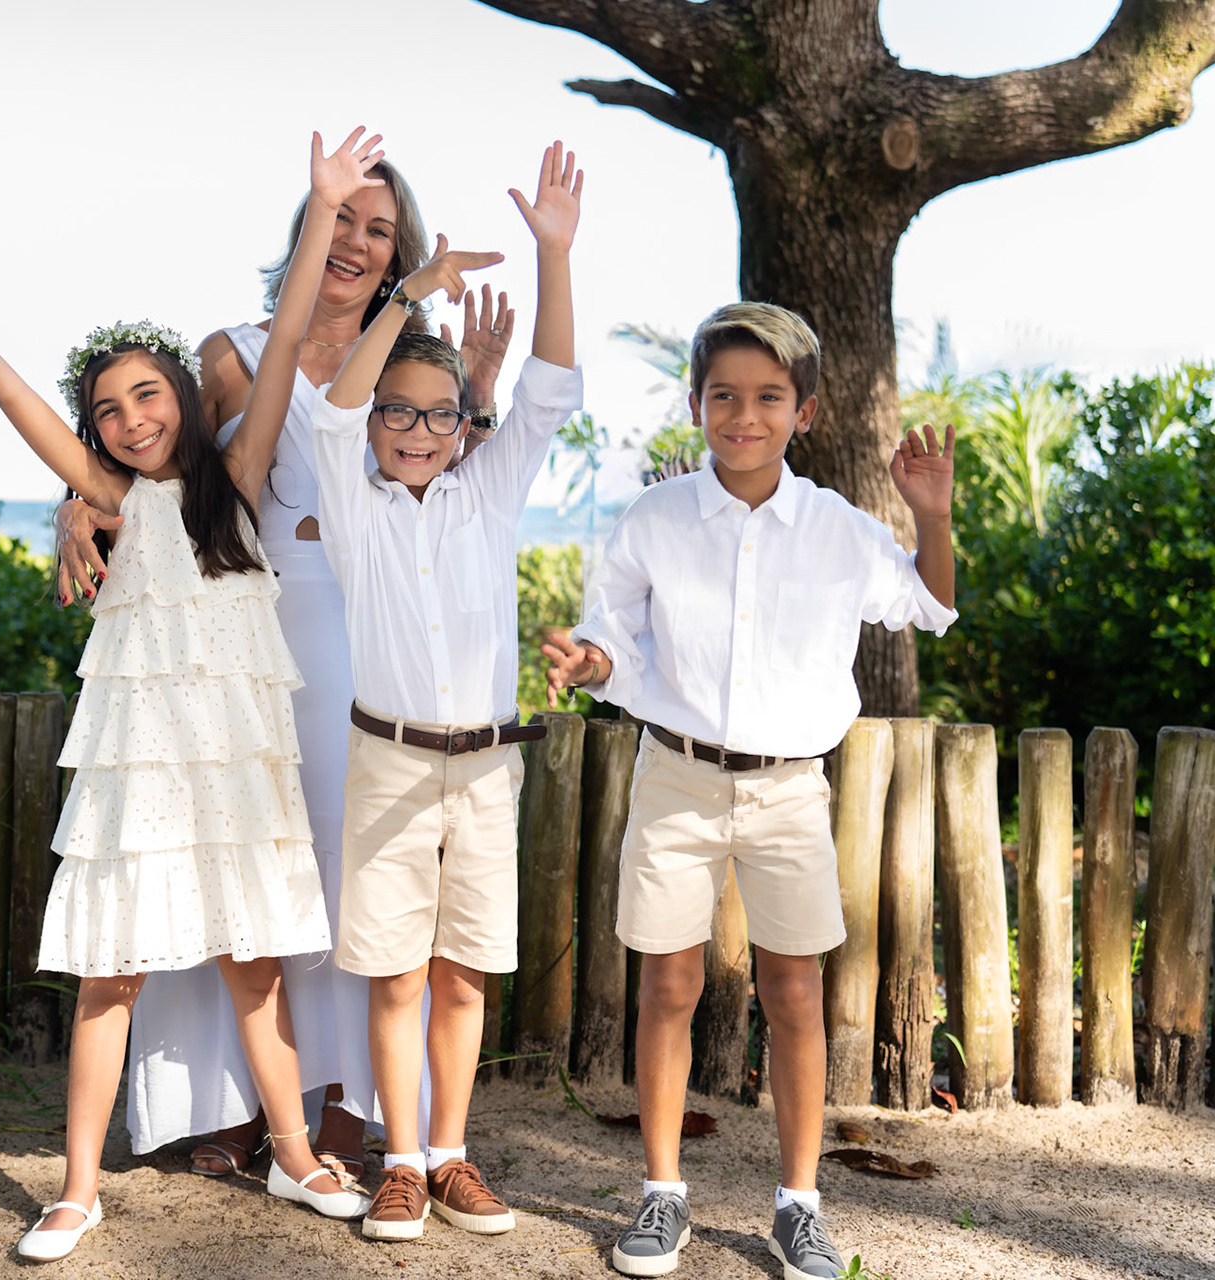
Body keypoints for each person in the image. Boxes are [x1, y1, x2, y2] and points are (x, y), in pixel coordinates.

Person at [0, 126, 387, 1261]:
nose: (133, 418)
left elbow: (280, 345)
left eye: (148, 394)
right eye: (111, 408)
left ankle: (294, 1148)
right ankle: (77, 1187)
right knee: (108, 972)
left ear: (180, 392)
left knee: (257, 961)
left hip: (237, 760)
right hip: (143, 766)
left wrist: (325, 208)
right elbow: (6, 391)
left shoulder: (232, 480)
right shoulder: (103, 494)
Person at [56, 150, 517, 1183]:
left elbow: (457, 487)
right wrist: (71, 508)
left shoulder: (416, 352)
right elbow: (159, 471)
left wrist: (478, 393)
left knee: (357, 866)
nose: (358, 242)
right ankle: (227, 1100)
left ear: (401, 251)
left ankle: (346, 1101)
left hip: (376, 630)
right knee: (241, 851)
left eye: (380, 228)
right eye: (342, 220)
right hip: (256, 633)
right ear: (311, 227)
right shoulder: (232, 352)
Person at [539, 302, 957, 1280]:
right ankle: (661, 1192)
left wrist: (931, 515)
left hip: (787, 793)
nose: (744, 413)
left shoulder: (838, 530)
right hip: (675, 779)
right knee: (668, 985)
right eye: (724, 394)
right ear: (696, 402)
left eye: (769, 396)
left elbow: (929, 605)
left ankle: (798, 1203)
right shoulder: (656, 518)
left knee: (795, 992)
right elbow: (614, 635)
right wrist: (588, 660)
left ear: (803, 410)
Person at [311, 141, 584, 1242]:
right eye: (400, 412)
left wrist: (553, 255)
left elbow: (554, 388)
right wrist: (412, 293)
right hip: (386, 759)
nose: (420, 431)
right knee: (391, 971)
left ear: (467, 427)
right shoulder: (355, 497)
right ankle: (402, 1158)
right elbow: (327, 408)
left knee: (463, 968)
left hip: (483, 762)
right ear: (377, 421)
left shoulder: (490, 495)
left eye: (441, 415)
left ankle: (455, 1149)